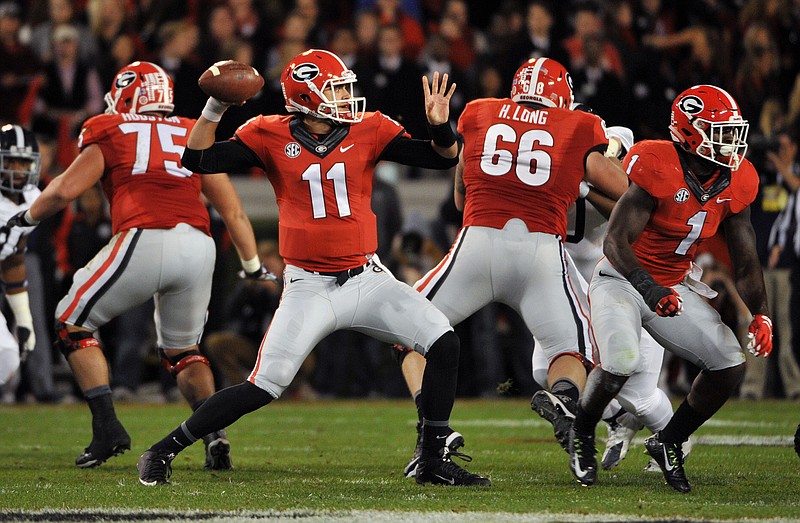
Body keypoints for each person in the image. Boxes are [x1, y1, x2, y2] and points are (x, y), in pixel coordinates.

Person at [135, 48, 490, 488]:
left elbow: (440, 157)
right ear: (306, 95)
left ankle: (432, 458)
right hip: (309, 286)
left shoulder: (368, 128)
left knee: (443, 344)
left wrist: (439, 124)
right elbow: (199, 160)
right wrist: (215, 107)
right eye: (336, 88)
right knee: (264, 385)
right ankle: (162, 450)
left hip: (367, 277)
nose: (346, 96)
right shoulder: (268, 133)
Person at [5, 61, 269, 470]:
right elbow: (233, 212)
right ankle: (214, 435)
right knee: (184, 351)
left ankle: (107, 428)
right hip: (199, 245)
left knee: (70, 322)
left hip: (145, 235)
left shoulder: (110, 128)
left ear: (126, 96)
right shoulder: (191, 129)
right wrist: (252, 266)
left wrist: (24, 220)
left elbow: (63, 191)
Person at [392, 56, 630, 477]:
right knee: (573, 351)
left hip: (478, 244)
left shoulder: (480, 112)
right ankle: (564, 399)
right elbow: (626, 195)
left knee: (407, 332)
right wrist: (582, 183)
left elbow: (461, 199)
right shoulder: (578, 127)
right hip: (540, 251)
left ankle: (431, 431)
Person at [568, 84, 773, 493]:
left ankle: (669, 441)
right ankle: (582, 433)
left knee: (729, 364)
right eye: (720, 131)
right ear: (690, 132)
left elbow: (746, 259)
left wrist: (760, 312)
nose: (731, 142)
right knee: (620, 364)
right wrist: (649, 288)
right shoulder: (658, 162)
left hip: (672, 284)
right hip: (624, 279)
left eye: (733, 131)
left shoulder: (736, 179)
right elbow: (615, 242)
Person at [0, 124, 41, 389]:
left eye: (24, 162)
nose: (18, 169)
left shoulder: (33, 199)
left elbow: (13, 260)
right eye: (11, 160)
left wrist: (24, 318)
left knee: (7, 356)